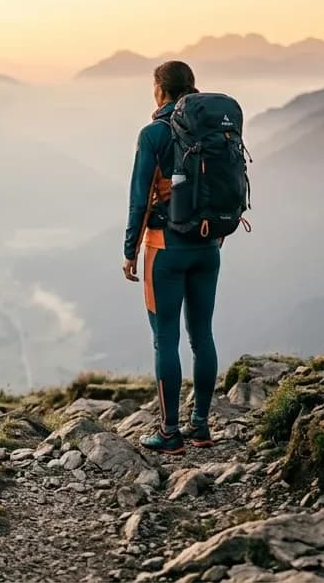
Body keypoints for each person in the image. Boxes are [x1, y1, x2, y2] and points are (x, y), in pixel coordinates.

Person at [121, 60, 220, 454]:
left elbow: (139, 198)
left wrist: (130, 250)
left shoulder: (153, 134)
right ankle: (201, 426)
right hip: (209, 246)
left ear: (160, 90)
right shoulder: (212, 128)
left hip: (165, 249)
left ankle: (169, 432)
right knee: (202, 336)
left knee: (165, 338)